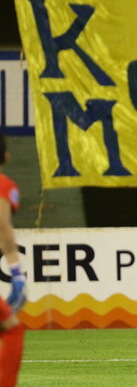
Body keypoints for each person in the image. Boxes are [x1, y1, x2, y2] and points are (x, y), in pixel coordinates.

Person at [0, 134, 26, 386]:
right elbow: (3, 228)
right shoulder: (3, 185)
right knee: (11, 327)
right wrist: (16, 271)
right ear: (6, 157)